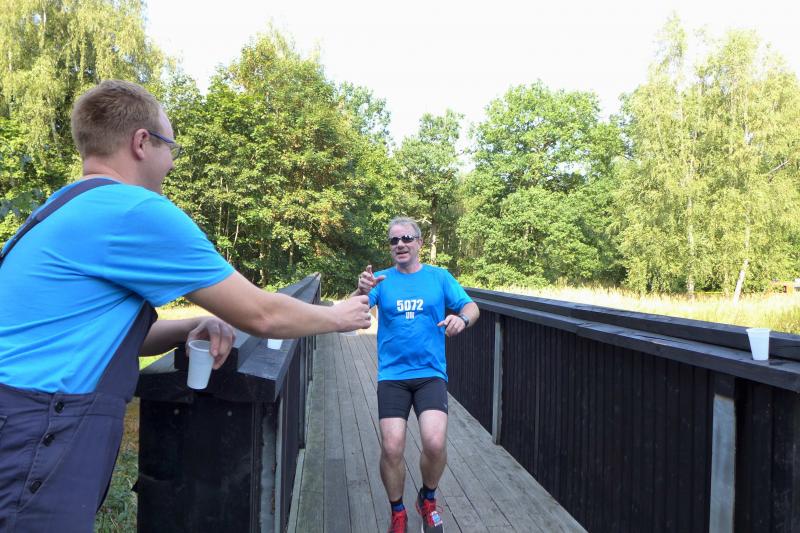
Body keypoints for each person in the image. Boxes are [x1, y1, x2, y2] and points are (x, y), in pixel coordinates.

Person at [0, 79, 371, 532]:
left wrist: (189, 325)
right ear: (141, 143)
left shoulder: (60, 206)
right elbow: (262, 314)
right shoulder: (132, 210)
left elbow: (89, 339)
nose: (173, 162)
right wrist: (338, 316)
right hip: (34, 429)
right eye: (170, 146)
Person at [353, 217, 479, 533]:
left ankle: (428, 499)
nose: (400, 244)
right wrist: (360, 291)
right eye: (394, 240)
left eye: (407, 238)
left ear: (420, 243)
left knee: (434, 444)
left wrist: (462, 320)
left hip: (430, 374)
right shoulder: (381, 281)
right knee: (392, 447)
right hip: (393, 376)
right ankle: (398, 511)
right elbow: (354, 314)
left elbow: (472, 307)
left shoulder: (440, 277)